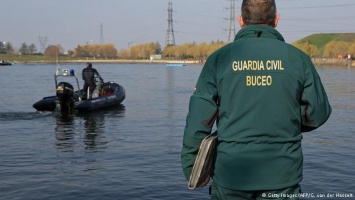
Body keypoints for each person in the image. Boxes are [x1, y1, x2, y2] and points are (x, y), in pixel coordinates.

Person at [181, 0, 332, 199]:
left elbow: (198, 119)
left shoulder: (219, 59)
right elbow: (319, 112)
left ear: (241, 20)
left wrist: (193, 167)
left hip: (230, 176)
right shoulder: (298, 59)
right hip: (282, 175)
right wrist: (286, 122)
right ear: (276, 20)